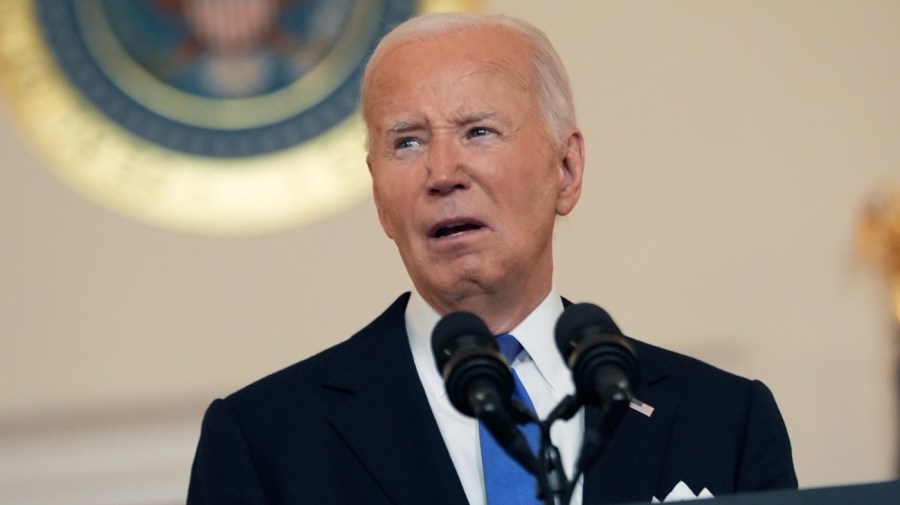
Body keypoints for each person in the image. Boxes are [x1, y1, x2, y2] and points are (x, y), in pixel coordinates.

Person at [187, 12, 797, 505]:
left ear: (566, 169)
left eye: (478, 131)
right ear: (378, 194)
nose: (443, 173)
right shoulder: (265, 441)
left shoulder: (722, 421)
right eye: (408, 141)